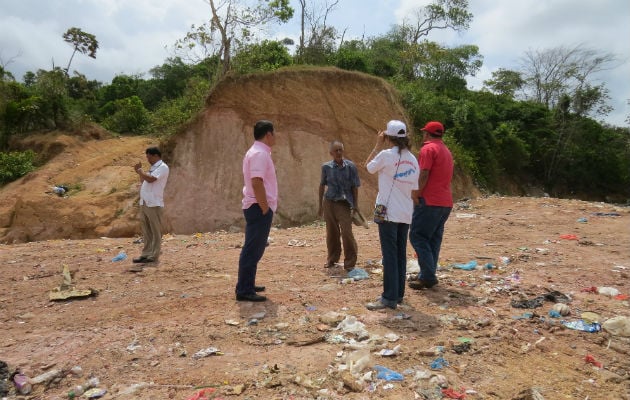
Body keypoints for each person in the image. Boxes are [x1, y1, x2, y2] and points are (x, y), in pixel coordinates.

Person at [364, 120, 419, 310]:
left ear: (388, 137)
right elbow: (414, 189)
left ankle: (389, 298)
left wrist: (377, 145)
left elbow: (368, 167)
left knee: (389, 255)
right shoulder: (413, 159)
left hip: (387, 211)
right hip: (405, 212)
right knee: (399, 255)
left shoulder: (386, 155)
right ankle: (398, 294)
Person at [235, 120, 278, 302]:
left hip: (256, 206)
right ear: (268, 134)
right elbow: (256, 182)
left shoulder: (257, 152)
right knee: (252, 249)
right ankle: (244, 290)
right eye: (274, 133)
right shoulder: (260, 154)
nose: (275, 137)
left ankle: (247, 284)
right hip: (258, 207)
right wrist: (265, 207)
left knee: (255, 248)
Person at [408, 121, 454, 290]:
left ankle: (427, 276)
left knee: (417, 236)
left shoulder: (428, 149)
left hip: (430, 201)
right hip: (445, 202)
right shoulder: (446, 151)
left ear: (427, 134)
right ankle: (428, 273)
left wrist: (416, 193)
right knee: (433, 239)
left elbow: (424, 173)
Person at [318, 140, 361, 272]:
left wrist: (356, 205)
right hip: (329, 202)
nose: (338, 153)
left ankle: (350, 262)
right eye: (336, 150)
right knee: (332, 233)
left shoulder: (351, 166)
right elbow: (322, 185)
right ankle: (332, 259)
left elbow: (355, 186)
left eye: (340, 150)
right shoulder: (326, 167)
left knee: (347, 232)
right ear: (331, 153)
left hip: (344, 203)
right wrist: (320, 205)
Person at [132, 146, 170, 265]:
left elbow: (151, 179)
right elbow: (143, 181)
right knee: (146, 230)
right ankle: (146, 254)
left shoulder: (162, 167)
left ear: (155, 156)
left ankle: (154, 255)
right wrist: (140, 172)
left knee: (155, 230)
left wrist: (140, 171)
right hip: (145, 202)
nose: (147, 159)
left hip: (154, 203)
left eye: (148, 157)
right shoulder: (153, 167)